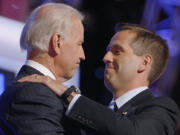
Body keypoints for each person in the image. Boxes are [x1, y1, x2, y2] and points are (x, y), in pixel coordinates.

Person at [19, 23, 180, 135]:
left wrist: (69, 94)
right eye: (108, 50)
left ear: (144, 63)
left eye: (117, 51)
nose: (106, 57)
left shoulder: (163, 109)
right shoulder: (97, 113)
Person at [0, 3, 85, 135]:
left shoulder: (37, 92)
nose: (82, 55)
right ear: (57, 42)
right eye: (79, 44)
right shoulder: (34, 94)